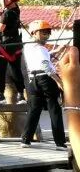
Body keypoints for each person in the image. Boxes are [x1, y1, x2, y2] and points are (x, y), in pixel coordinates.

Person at [21, 20, 67, 149]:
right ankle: (60, 143)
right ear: (33, 33)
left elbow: (43, 57)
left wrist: (56, 51)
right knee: (54, 109)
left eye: (48, 33)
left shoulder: (28, 47)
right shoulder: (40, 48)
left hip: (33, 81)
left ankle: (25, 140)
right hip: (46, 79)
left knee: (34, 110)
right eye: (43, 33)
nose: (46, 35)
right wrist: (60, 82)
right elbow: (45, 66)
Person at [0, 0, 25, 104]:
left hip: (6, 45)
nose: (0, 0)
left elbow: (0, 28)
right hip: (17, 45)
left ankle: (0, 95)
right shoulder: (16, 10)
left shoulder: (7, 14)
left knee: (0, 69)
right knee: (16, 70)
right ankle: (21, 95)